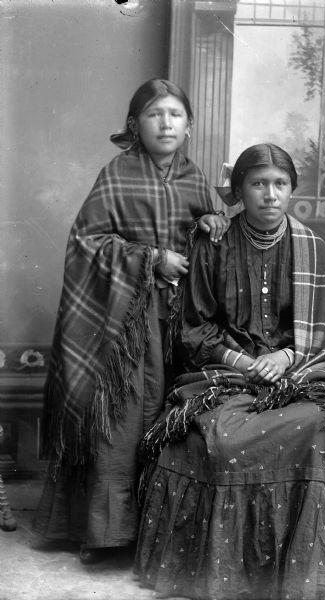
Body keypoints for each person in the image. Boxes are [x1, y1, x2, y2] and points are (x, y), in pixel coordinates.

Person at [135, 143, 325, 599]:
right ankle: (222, 573)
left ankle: (296, 572)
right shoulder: (213, 242)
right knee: (223, 436)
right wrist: (244, 363)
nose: (270, 194)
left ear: (291, 190)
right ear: (239, 188)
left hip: (296, 374)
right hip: (224, 372)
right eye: (258, 183)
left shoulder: (312, 247)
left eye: (280, 184)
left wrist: (286, 358)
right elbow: (195, 330)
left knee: (316, 426)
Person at [32, 78, 230, 564]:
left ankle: (157, 535)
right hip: (122, 323)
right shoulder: (117, 174)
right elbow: (86, 243)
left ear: (189, 126)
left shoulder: (195, 178)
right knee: (119, 420)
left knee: (171, 419)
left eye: (175, 115)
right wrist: (150, 259)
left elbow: (215, 231)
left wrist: (211, 223)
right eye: (154, 114)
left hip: (181, 322)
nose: (165, 123)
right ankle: (104, 534)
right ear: (134, 124)